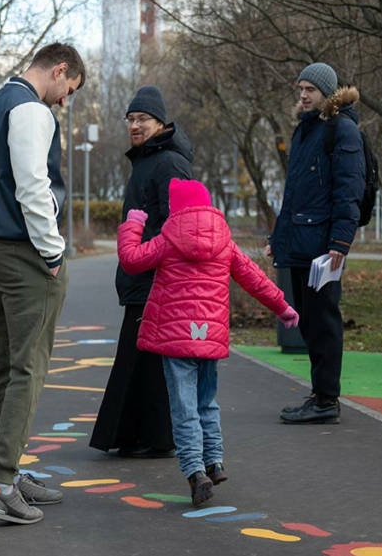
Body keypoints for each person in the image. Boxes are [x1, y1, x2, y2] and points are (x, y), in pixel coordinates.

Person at [118, 178, 300, 506]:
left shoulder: (168, 239)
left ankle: (195, 471)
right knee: (207, 400)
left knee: (184, 406)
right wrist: (282, 307)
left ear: (176, 208)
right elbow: (254, 278)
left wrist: (133, 224)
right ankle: (215, 461)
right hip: (209, 334)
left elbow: (132, 260)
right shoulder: (225, 241)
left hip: (176, 338)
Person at [0, 42, 86, 525]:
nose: (64, 101)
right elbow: (33, 185)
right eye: (69, 90)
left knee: (6, 367)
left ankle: (8, 472)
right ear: (59, 70)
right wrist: (53, 249)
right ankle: (0, 483)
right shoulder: (30, 111)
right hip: (25, 252)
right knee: (28, 368)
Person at [89, 85, 193, 459]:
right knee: (141, 359)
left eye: (142, 119)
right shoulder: (148, 160)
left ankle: (152, 437)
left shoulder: (169, 163)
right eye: (130, 119)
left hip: (155, 276)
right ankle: (142, 436)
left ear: (159, 121)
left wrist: (144, 255)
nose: (134, 125)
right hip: (143, 274)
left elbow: (177, 224)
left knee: (144, 360)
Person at [266, 63, 366, 425]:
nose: (304, 95)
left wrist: (340, 241)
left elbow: (348, 191)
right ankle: (319, 394)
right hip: (301, 242)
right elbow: (293, 194)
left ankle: (327, 399)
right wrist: (278, 239)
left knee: (323, 322)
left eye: (311, 89)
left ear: (328, 93)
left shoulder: (342, 130)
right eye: (300, 89)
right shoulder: (305, 131)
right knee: (309, 321)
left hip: (325, 248)